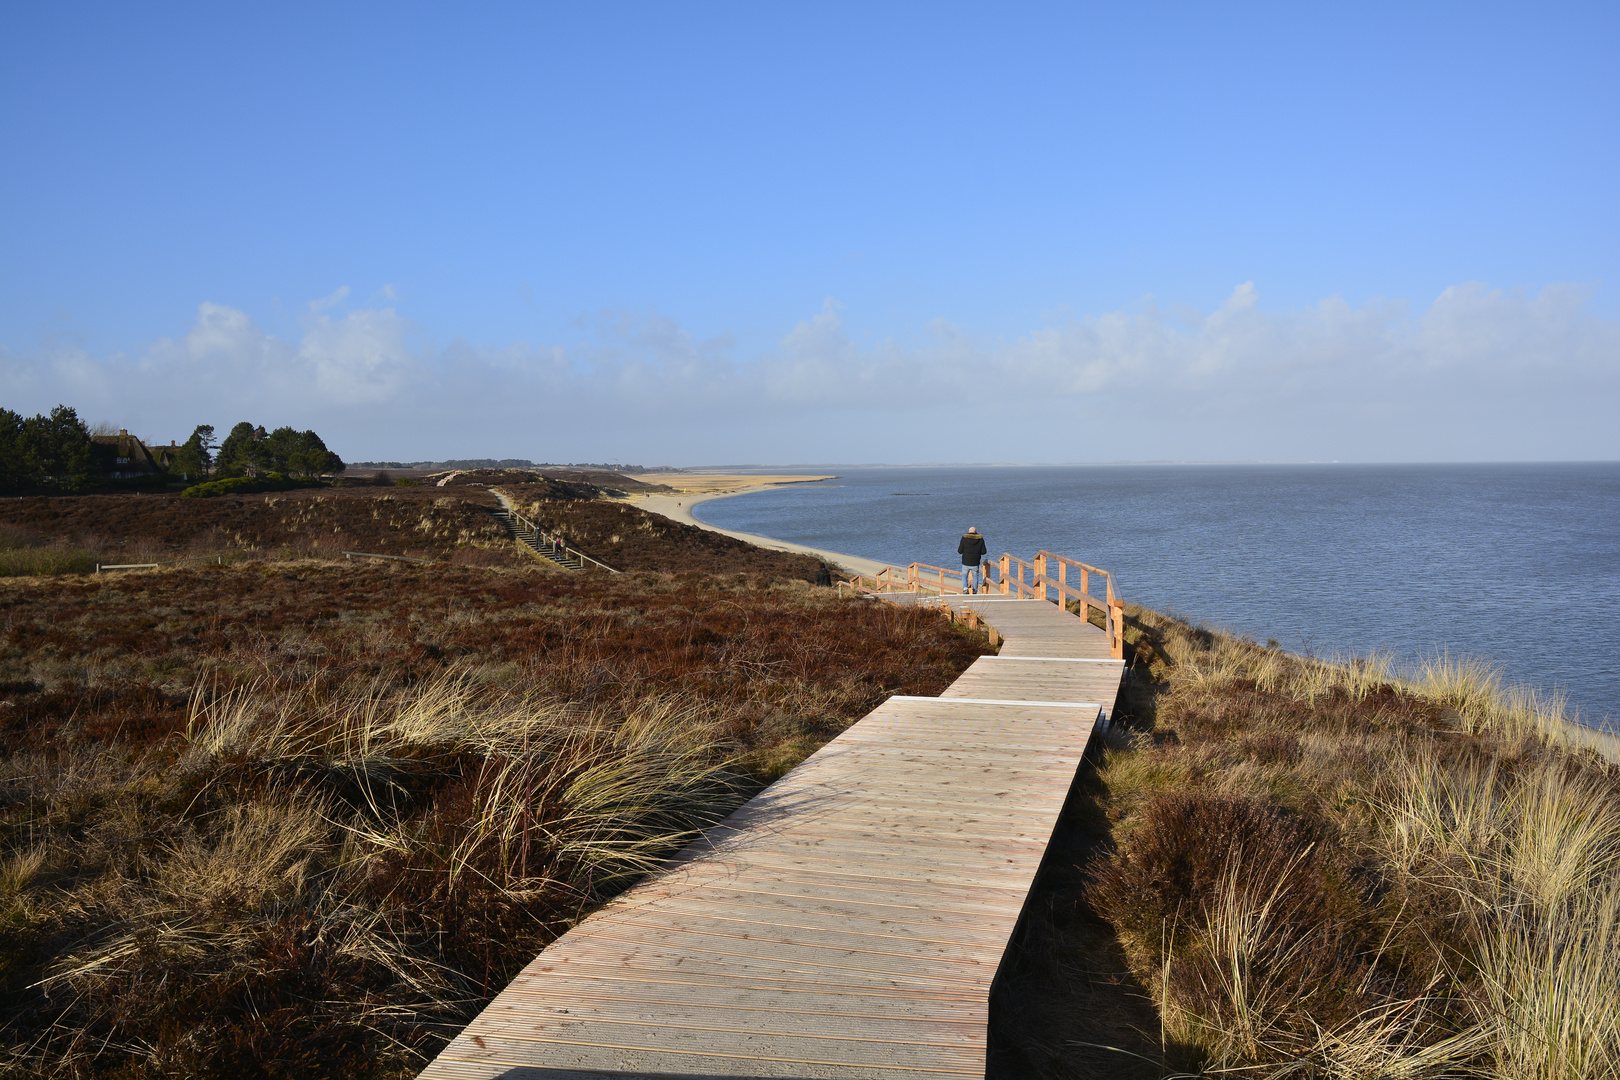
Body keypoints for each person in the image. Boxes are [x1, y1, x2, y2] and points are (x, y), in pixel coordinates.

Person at [958, 526, 988, 593]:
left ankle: (965, 588)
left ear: (969, 532)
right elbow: (984, 552)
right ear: (976, 532)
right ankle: (975, 590)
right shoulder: (980, 539)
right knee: (975, 576)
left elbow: (959, 551)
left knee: (964, 575)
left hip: (966, 561)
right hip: (975, 562)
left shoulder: (964, 539)